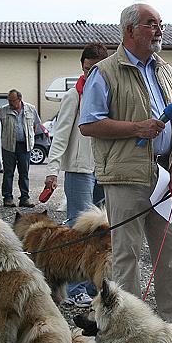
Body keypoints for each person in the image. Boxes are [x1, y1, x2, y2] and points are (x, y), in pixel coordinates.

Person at [78, 3, 172, 324]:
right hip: (125, 176)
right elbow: (88, 124)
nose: (159, 30)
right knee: (126, 255)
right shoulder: (104, 72)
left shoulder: (166, 70)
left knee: (171, 251)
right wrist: (136, 128)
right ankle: (127, 326)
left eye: (160, 24)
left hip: (167, 177)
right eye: (151, 24)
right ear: (129, 30)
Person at [44, 42, 109, 308]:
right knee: (78, 230)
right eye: (86, 69)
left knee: (103, 230)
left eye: (95, 69)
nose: (90, 73)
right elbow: (60, 135)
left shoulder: (109, 95)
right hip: (79, 169)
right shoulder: (74, 95)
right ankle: (74, 287)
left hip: (104, 169)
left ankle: (95, 283)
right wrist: (52, 170)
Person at [0, 90, 42, 208]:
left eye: (12, 100)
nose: (10, 103)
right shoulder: (4, 110)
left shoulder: (31, 109)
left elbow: (36, 124)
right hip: (8, 145)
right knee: (8, 173)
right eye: (9, 100)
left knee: (24, 173)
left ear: (19, 99)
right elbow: (0, 127)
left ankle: (24, 198)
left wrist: (30, 137)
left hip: (25, 145)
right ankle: (7, 198)